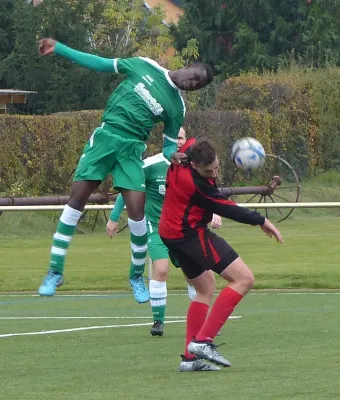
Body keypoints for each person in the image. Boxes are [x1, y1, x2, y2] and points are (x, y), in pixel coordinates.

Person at [36, 38, 213, 296]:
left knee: (137, 213)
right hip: (106, 138)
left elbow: (167, 147)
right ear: (188, 67)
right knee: (76, 201)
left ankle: (136, 276)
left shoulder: (177, 107)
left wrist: (173, 156)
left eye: (198, 85)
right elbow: (100, 63)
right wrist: (60, 49)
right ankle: (55, 270)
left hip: (132, 150)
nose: (193, 83)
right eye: (195, 76)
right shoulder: (144, 66)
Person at [159, 138, 283, 372]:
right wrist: (262, 220)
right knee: (244, 279)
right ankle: (204, 341)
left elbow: (179, 144)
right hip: (188, 234)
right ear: (194, 165)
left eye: (216, 167)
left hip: (169, 232)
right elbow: (226, 208)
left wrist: (172, 150)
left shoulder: (186, 152)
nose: (213, 172)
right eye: (208, 170)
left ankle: (190, 359)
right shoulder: (197, 185)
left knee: (205, 288)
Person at [106, 130, 223, 336]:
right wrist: (114, 218)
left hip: (185, 230)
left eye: (181, 138)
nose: (178, 142)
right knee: (160, 269)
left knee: (197, 275)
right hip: (157, 227)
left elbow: (205, 193)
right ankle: (158, 321)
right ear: (165, 141)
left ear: (187, 142)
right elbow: (128, 188)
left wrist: (214, 212)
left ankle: (203, 322)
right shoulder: (151, 165)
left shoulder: (193, 167)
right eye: (174, 138)